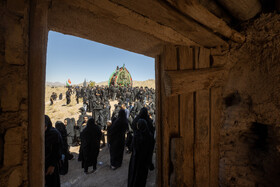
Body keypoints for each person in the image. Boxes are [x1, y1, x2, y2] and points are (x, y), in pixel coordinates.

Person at [127, 119, 154, 187]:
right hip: (144, 161)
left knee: (134, 177)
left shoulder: (136, 136)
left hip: (136, 160)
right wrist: (150, 164)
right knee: (142, 178)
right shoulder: (150, 136)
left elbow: (131, 147)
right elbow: (150, 152)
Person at [45, 115, 62, 187]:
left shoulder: (54, 134)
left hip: (51, 164)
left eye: (44, 126)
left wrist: (52, 165)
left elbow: (57, 150)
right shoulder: (37, 133)